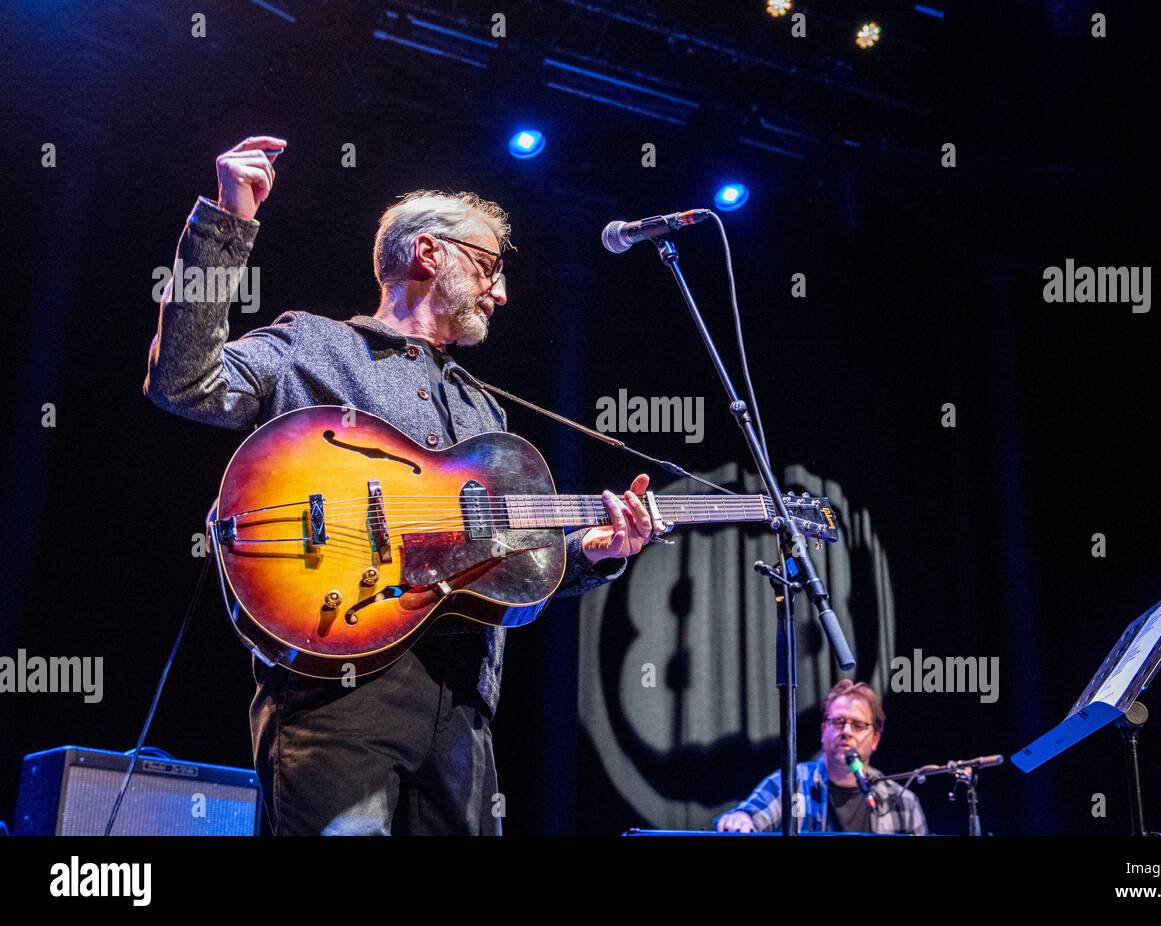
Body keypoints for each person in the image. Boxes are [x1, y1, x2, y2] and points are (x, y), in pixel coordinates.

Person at [145, 135, 655, 835]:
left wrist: (594, 552)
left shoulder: (487, 411)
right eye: (489, 267)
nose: (501, 292)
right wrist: (226, 222)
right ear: (428, 253)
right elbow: (184, 382)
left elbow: (498, 574)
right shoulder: (313, 344)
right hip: (335, 688)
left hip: (462, 710)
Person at [714, 679, 928, 834]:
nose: (847, 731)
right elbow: (749, 815)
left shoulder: (903, 802)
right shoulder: (792, 783)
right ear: (823, 731)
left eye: (858, 725)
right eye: (838, 722)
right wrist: (741, 818)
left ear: (875, 740)